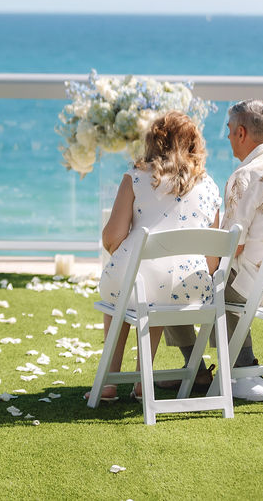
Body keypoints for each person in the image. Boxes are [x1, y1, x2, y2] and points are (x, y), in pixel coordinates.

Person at [164, 99, 263, 401]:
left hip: (257, 288)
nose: (226, 137)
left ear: (241, 133)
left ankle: (238, 369)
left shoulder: (246, 175)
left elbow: (228, 247)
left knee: (177, 276)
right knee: (229, 272)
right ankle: (221, 366)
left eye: (229, 130)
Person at [89, 112, 222, 402]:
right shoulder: (210, 187)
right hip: (193, 287)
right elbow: (213, 260)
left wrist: (123, 254)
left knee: (132, 282)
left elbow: (112, 236)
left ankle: (110, 380)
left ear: (154, 141)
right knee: (154, 283)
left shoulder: (136, 178)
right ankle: (141, 382)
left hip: (142, 284)